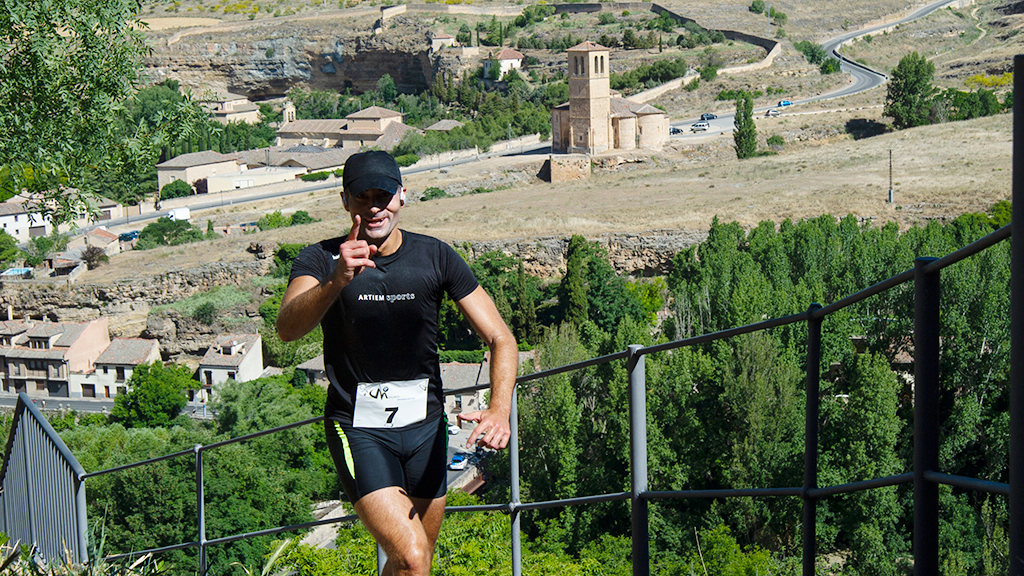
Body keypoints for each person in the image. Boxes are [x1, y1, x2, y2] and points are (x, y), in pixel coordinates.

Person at [277, 150, 517, 576]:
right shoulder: (320, 259)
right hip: (358, 427)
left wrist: (499, 409)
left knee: (413, 560)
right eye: (362, 196)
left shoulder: (436, 257)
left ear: (402, 196)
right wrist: (337, 281)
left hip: (426, 428)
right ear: (345, 201)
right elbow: (287, 328)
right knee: (411, 556)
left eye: (383, 194)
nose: (374, 206)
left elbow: (501, 337)